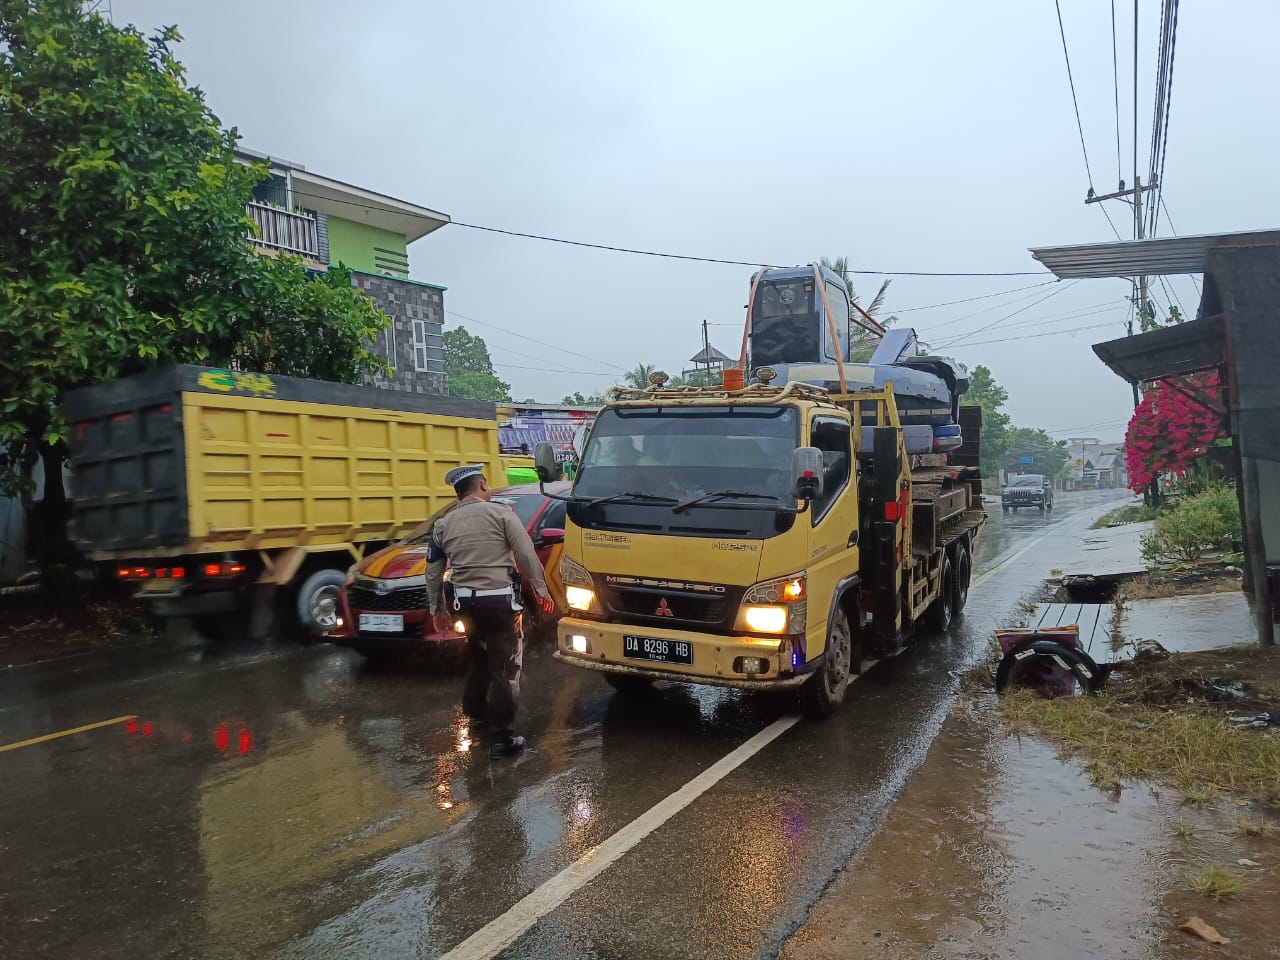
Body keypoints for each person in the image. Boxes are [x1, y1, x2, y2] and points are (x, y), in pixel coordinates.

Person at [426, 464, 554, 759]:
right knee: (507, 668)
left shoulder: (444, 524)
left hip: (465, 605)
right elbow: (525, 553)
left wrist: (437, 607)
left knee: (480, 656)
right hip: (499, 605)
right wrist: (541, 589)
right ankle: (502, 739)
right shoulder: (501, 514)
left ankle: (477, 714)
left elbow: (433, 570)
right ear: (482, 485)